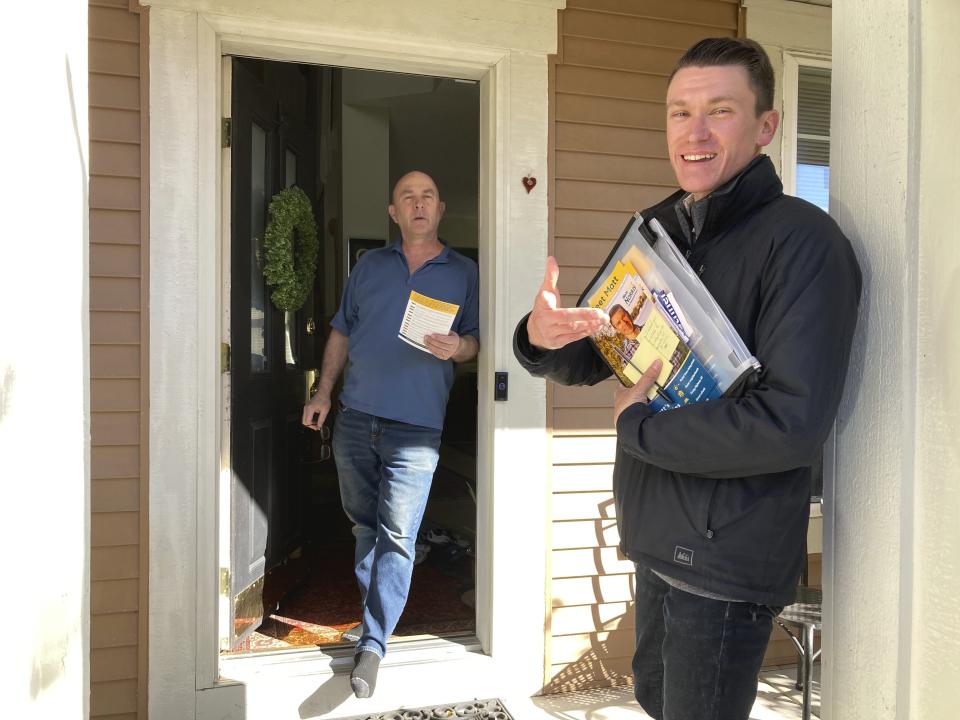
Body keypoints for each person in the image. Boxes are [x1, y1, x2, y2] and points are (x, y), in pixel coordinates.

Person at [513, 38, 861, 720]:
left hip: (727, 559)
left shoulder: (804, 244)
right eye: (679, 113)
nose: (693, 133)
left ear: (767, 126)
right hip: (657, 533)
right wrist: (542, 338)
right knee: (653, 697)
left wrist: (639, 429)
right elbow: (600, 353)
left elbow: (789, 425)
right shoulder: (658, 227)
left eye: (719, 111)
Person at [303, 170, 479, 699]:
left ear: (440, 208)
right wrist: (323, 393)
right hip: (355, 418)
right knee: (363, 526)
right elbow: (341, 330)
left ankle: (374, 643)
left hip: (418, 426)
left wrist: (460, 348)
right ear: (393, 212)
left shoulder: (464, 272)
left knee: (398, 536)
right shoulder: (369, 266)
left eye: (427, 196)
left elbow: (476, 340)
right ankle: (373, 625)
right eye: (408, 197)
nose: (419, 204)